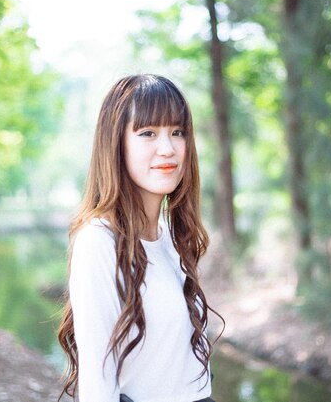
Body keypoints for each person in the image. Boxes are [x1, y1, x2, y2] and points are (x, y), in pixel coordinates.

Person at [57, 74, 224, 402]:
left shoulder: (171, 240)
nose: (168, 148)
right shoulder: (99, 242)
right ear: (116, 144)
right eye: (148, 133)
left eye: (178, 133)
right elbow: (97, 383)